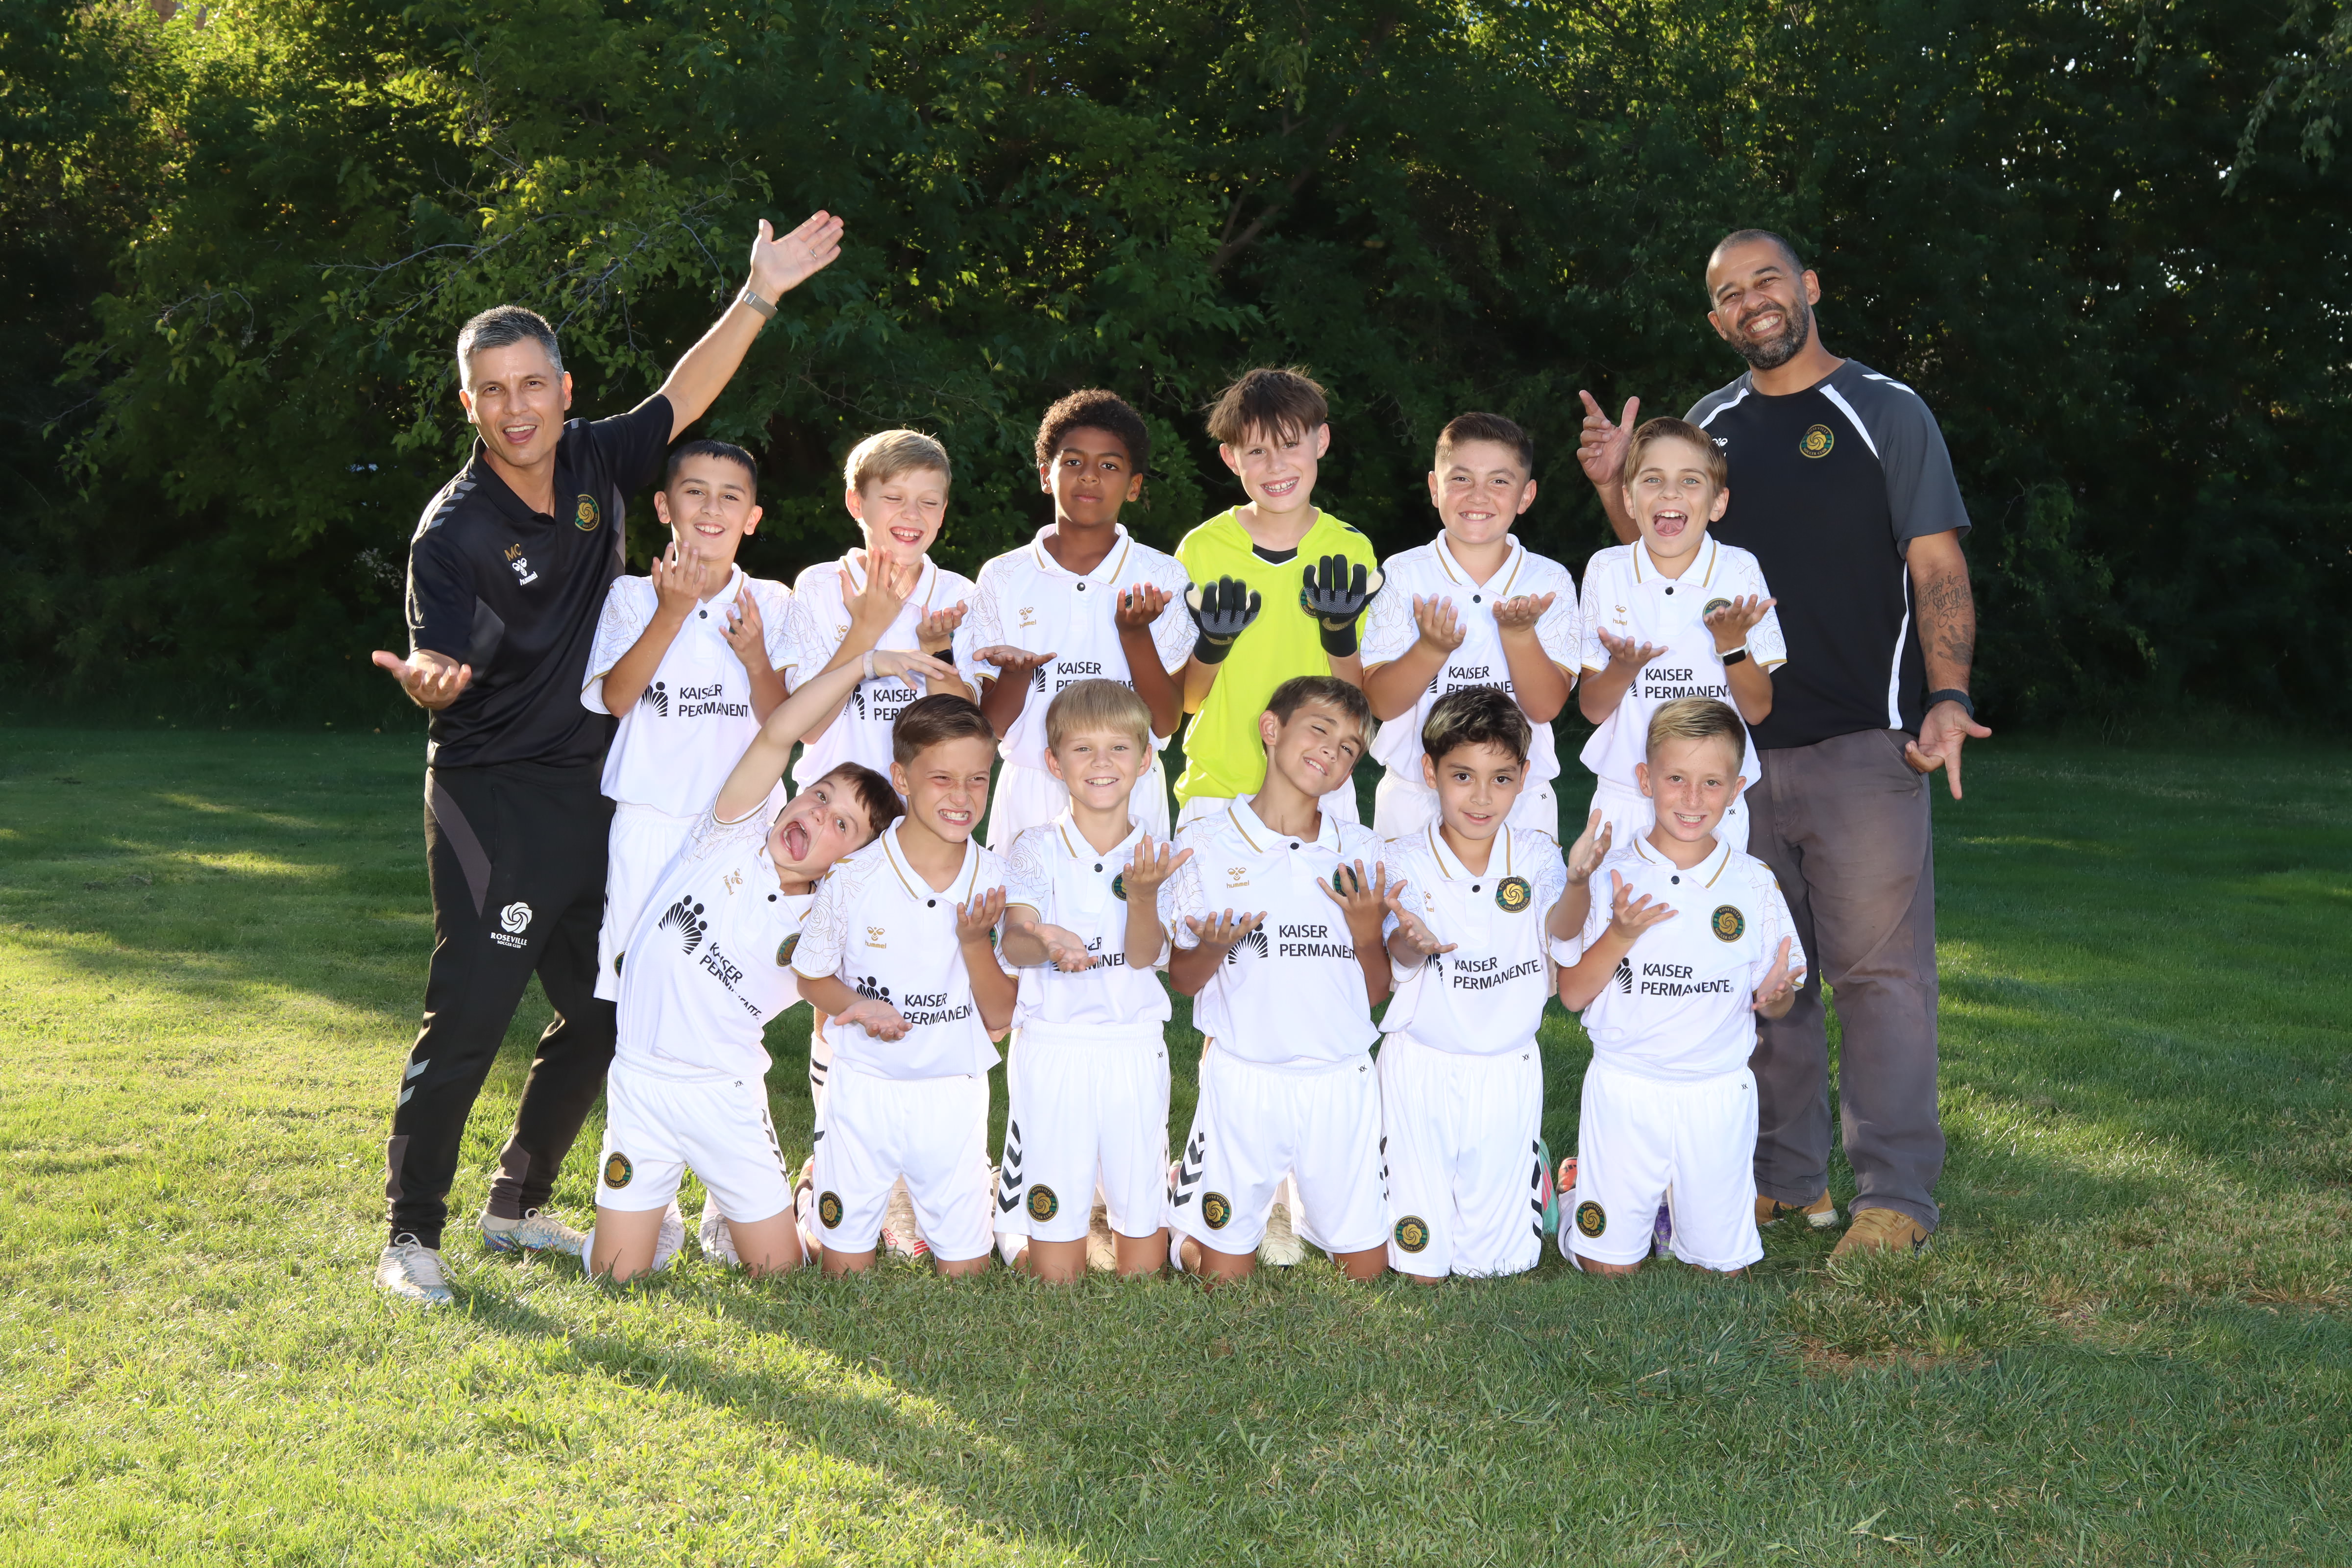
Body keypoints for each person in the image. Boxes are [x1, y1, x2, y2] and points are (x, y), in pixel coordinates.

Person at [369, 211, 843, 1305]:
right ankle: (409, 1236)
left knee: (610, 1008)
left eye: (533, 385)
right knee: (473, 1010)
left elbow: (686, 394)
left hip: (600, 795)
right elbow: (440, 657)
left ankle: (516, 1202)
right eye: (493, 391)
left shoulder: (594, 460)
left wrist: (760, 293)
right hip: (495, 798)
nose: (517, 408)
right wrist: (433, 677)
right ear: (469, 405)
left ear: (564, 389)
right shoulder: (454, 531)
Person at [1575, 228, 1990, 1256]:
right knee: (1758, 969)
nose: (1753, 300)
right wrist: (1612, 484)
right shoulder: (1711, 425)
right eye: (1730, 292)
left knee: (1881, 980)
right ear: (1717, 318)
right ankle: (1782, 1179)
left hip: (1860, 746)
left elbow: (1937, 566)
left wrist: (1946, 696)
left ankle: (1895, 1196)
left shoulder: (1887, 410)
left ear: (1809, 285)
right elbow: (1661, 563)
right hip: (1725, 764)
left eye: (1768, 278)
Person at [583, 649, 945, 1281]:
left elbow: (832, 980)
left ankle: (801, 1204)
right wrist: (864, 664)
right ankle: (651, 1215)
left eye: (843, 824)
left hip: (725, 1098)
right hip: (641, 1083)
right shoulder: (730, 833)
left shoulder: (826, 921)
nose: (818, 814)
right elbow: (780, 730)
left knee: (782, 1272)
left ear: (850, 864)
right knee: (613, 1275)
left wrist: (864, 1007)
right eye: (819, 795)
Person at [1553, 698, 1804, 1278]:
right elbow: (1571, 994)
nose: (1693, 798)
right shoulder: (1612, 872)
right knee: (1608, 1269)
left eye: (1711, 782)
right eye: (1676, 779)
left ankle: (1669, 1204)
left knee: (1722, 1270)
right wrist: (1619, 933)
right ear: (1646, 780)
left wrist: (1777, 997)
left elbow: (1781, 998)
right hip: (1627, 1086)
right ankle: (1571, 1192)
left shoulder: (1753, 882)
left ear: (1736, 788)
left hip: (1716, 1093)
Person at [1159, 676, 1396, 1284]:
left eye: (1350, 747)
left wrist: (1367, 931)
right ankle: (1189, 1225)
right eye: (1319, 729)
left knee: (1367, 1272)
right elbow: (1183, 979)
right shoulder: (1204, 842)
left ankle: (1288, 1210)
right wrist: (1214, 947)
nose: (1332, 750)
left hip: (1340, 1080)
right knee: (1220, 1277)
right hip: (1245, 1079)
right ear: (1271, 728)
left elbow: (1376, 992)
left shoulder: (1363, 850)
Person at [779, 428, 976, 1117]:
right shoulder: (820, 587)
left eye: (930, 501)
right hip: (838, 822)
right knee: (834, 978)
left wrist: (935, 652)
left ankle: (907, 1136)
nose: (912, 515)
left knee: (913, 972)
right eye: (894, 497)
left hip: (923, 826)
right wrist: (867, 628)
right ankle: (831, 1141)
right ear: (856, 503)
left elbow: (967, 728)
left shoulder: (958, 594)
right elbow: (808, 724)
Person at [1377, 687, 1603, 1282]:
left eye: (1500, 779)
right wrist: (1411, 941)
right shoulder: (1401, 859)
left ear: (1524, 778)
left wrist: (1578, 882)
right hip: (1419, 1067)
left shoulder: (1536, 855)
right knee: (1419, 1266)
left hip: (1506, 1068)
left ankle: (1549, 1186)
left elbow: (1562, 933)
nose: (1481, 797)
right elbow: (1394, 955)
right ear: (1430, 772)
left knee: (1495, 1266)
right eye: (1463, 776)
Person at [788, 695, 1014, 1277]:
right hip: (863, 1088)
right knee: (844, 1271)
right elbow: (811, 975)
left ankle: (946, 1202)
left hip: (954, 1091)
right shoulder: (854, 876)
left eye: (977, 779)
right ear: (903, 777)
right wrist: (858, 1006)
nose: (962, 796)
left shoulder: (999, 879)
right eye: (942, 778)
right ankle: (815, 1195)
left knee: (966, 1273)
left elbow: (1000, 1015)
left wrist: (975, 942)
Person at [583, 439, 795, 1008]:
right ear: (663, 506)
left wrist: (756, 659)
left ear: (752, 518)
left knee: (722, 989)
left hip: (742, 829)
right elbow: (617, 699)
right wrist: (671, 613)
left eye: (730, 497)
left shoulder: (773, 601)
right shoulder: (631, 595)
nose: (711, 508)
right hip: (649, 818)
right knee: (636, 984)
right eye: (695, 491)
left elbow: (782, 722)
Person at [991, 680, 1187, 1280]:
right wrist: (1047, 940)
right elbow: (1014, 943)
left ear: (1145, 759)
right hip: (1054, 1047)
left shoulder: (1158, 854)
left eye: (1119, 747)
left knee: (1142, 1271)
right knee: (1056, 1274)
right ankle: (1014, 1223)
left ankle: (1127, 1209)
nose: (1102, 762)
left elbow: (1145, 956)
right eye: (1082, 749)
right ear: (1055, 763)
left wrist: (1145, 896)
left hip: (1133, 1048)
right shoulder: (1036, 847)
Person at [957, 390, 1194, 848]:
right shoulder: (1004, 576)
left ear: (1134, 486)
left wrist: (1135, 635)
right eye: (1073, 462)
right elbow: (991, 728)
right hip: (1032, 790)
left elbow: (1165, 722)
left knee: (1135, 897)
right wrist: (1016, 674)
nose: (1089, 476)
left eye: (1110, 465)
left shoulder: (1163, 575)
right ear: (1046, 475)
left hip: (1129, 790)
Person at [1172, 368, 1383, 827]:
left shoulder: (1350, 550)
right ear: (1231, 458)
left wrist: (1338, 632)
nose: (1276, 465)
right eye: (1256, 451)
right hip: (1219, 788)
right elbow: (1185, 701)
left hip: (1319, 787)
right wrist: (1213, 644)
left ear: (1321, 441)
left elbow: (1356, 696)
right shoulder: (1201, 550)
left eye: (1290, 445)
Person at [1361, 413, 1580, 840]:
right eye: (1461, 479)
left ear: (1526, 495)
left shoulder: (1549, 580)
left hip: (1520, 801)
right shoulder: (1402, 573)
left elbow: (1544, 708)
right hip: (1414, 797)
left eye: (1499, 481)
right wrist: (1430, 649)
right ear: (1434, 488)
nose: (1479, 495)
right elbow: (1382, 705)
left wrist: (1519, 636)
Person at [1574, 417, 1784, 854]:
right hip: (1625, 797)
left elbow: (1758, 710)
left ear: (1718, 502)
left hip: (1712, 804)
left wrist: (1733, 646)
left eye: (1690, 480)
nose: (1670, 493)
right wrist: (1624, 668)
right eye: (1653, 480)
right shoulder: (1606, 570)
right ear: (1629, 499)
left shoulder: (1740, 569)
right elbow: (1592, 709)